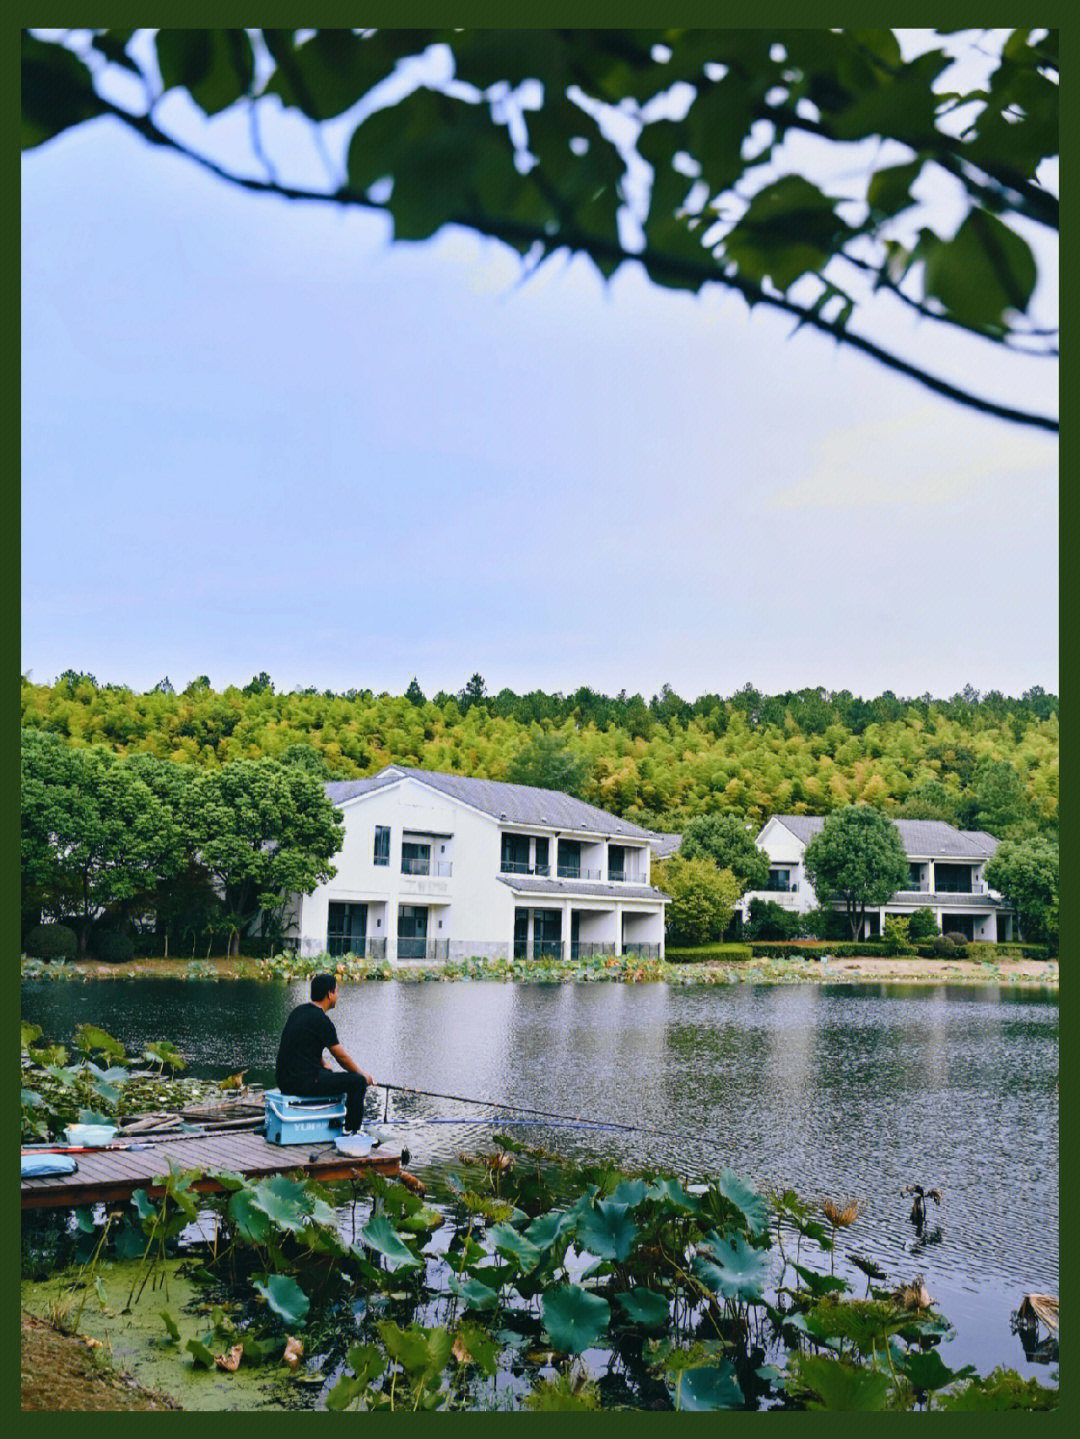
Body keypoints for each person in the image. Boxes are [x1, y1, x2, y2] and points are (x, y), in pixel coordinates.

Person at [275, 972, 375, 1133]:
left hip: (284, 1081)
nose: (337, 995)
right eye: (336, 991)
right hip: (301, 1083)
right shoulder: (322, 1020)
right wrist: (362, 1074)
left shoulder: (299, 1012)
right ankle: (352, 1132)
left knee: (328, 1073)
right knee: (357, 1082)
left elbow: (302, 1044)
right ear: (329, 994)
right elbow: (341, 1057)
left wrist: (323, 1063)